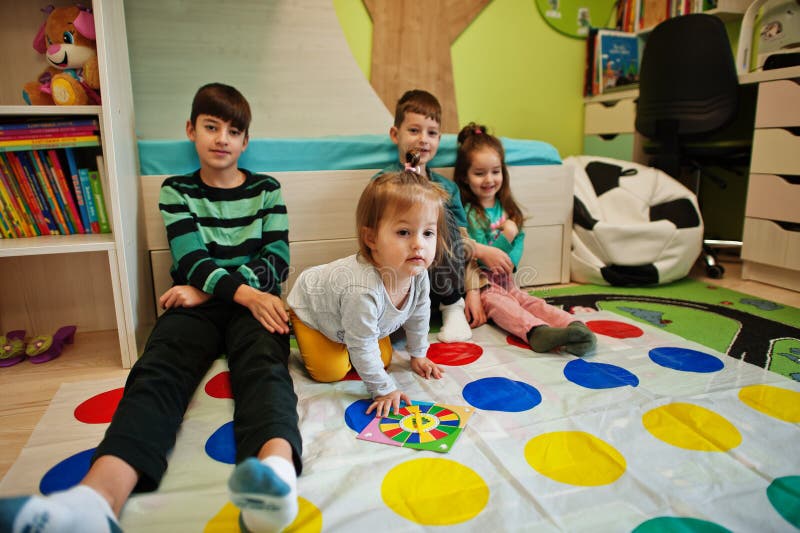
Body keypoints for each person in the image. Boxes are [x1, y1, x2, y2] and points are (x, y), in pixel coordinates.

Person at [0, 83, 302, 533]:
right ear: (191, 130)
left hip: (244, 305)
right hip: (210, 304)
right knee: (158, 370)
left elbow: (276, 260)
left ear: (245, 141)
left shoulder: (266, 190)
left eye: (234, 131)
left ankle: (276, 481)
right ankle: (94, 499)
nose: (222, 138)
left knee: (264, 367)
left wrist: (209, 290)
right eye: (211, 126)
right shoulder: (175, 190)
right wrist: (234, 291)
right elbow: (191, 259)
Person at [288, 166, 447, 417]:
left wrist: (418, 354)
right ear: (371, 239)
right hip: (314, 309)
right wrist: (383, 389)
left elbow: (419, 314)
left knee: (382, 359)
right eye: (404, 232)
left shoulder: (417, 274)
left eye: (428, 233)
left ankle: (354, 339)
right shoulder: (361, 289)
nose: (419, 244)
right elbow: (362, 345)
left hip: (354, 320)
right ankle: (330, 336)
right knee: (330, 371)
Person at [376, 89, 509, 343]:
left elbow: (460, 240)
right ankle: (396, 310)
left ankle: (452, 308)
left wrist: (472, 289)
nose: (423, 139)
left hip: (441, 284)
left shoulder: (447, 189)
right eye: (414, 131)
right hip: (398, 277)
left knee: (440, 212)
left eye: (432, 133)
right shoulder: (383, 182)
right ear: (396, 134)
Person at [454, 123, 597, 356]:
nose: (489, 179)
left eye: (495, 171)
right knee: (502, 306)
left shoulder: (507, 208)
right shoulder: (470, 213)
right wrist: (506, 236)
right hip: (483, 284)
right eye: (479, 173)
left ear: (503, 172)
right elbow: (482, 260)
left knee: (531, 302)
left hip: (508, 280)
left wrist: (510, 250)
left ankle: (574, 326)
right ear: (465, 177)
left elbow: (516, 248)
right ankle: (536, 333)